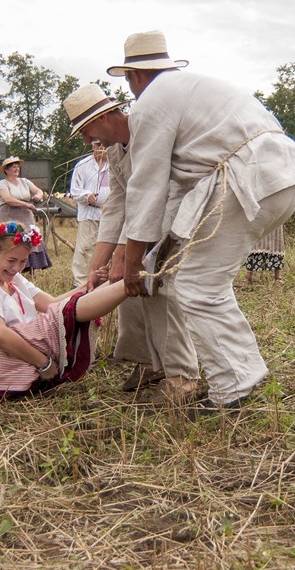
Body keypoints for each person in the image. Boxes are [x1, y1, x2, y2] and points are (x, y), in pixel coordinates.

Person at [107, 30, 295, 409]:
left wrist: (133, 262)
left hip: (246, 178)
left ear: (132, 76)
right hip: (282, 176)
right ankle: (242, 373)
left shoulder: (151, 103)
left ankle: (232, 387)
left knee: (197, 285)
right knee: (205, 282)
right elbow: (177, 192)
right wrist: (156, 250)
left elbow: (147, 188)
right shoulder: (194, 88)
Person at [63, 83, 201, 405]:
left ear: (105, 116)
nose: (86, 140)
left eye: (86, 130)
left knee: (158, 286)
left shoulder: (146, 132)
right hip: (143, 219)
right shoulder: (114, 150)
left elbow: (150, 193)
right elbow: (118, 201)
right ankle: (148, 361)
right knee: (126, 284)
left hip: (174, 214)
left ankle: (182, 376)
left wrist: (125, 253)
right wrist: (98, 264)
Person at [0, 221, 127, 398]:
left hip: (13, 350)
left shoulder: (13, 279)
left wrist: (88, 285)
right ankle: (129, 283)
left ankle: (128, 279)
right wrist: (43, 363)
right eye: (11, 260)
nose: (17, 268)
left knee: (59, 314)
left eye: (23, 261)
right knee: (54, 321)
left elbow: (52, 304)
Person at [0, 156, 51, 273]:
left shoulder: (25, 181)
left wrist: (38, 196)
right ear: (6, 170)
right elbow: (8, 199)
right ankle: (10, 268)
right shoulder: (2, 183)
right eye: (13, 167)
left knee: (28, 238)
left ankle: (31, 269)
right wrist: (26, 204)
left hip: (26, 216)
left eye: (17, 167)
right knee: (12, 240)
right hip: (10, 215)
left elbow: (39, 191)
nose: (16, 169)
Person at [68, 141, 110, 285]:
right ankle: (80, 284)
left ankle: (102, 283)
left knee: (107, 250)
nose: (102, 148)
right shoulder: (83, 165)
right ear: (93, 146)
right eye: (98, 145)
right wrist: (87, 196)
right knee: (85, 249)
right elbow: (75, 191)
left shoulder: (114, 164)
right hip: (89, 214)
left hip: (110, 215)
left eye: (104, 144)